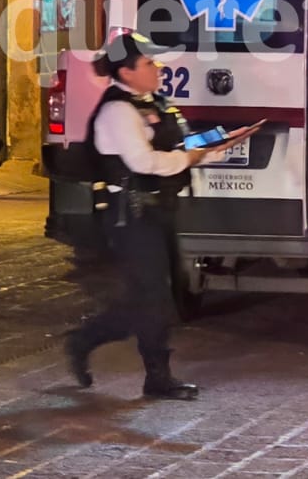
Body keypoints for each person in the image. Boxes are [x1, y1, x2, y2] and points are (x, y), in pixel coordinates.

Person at [63, 32, 250, 401]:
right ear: (127, 71)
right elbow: (144, 162)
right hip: (129, 216)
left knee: (153, 296)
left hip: (158, 210)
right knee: (152, 297)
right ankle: (152, 375)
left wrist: (219, 144)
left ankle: (91, 342)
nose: (158, 68)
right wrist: (190, 159)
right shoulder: (118, 111)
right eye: (149, 63)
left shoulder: (155, 102)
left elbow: (181, 145)